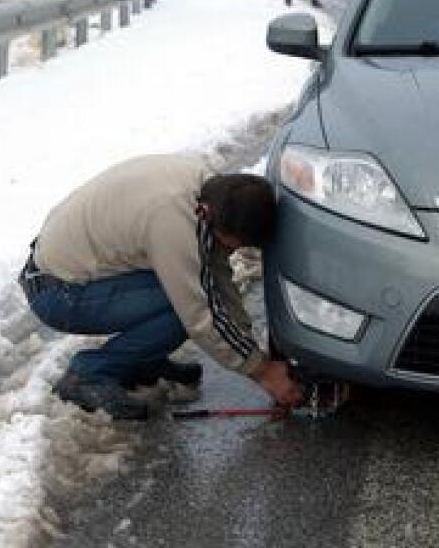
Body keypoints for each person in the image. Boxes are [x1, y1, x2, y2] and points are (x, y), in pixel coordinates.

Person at [18, 153, 306, 420]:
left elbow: (216, 273)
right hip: (59, 293)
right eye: (236, 244)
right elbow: (200, 313)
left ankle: (139, 361)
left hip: (77, 270)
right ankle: (87, 375)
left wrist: (251, 349)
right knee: (181, 307)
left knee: (190, 289)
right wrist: (263, 371)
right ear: (208, 216)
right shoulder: (175, 220)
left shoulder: (213, 192)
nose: (234, 251)